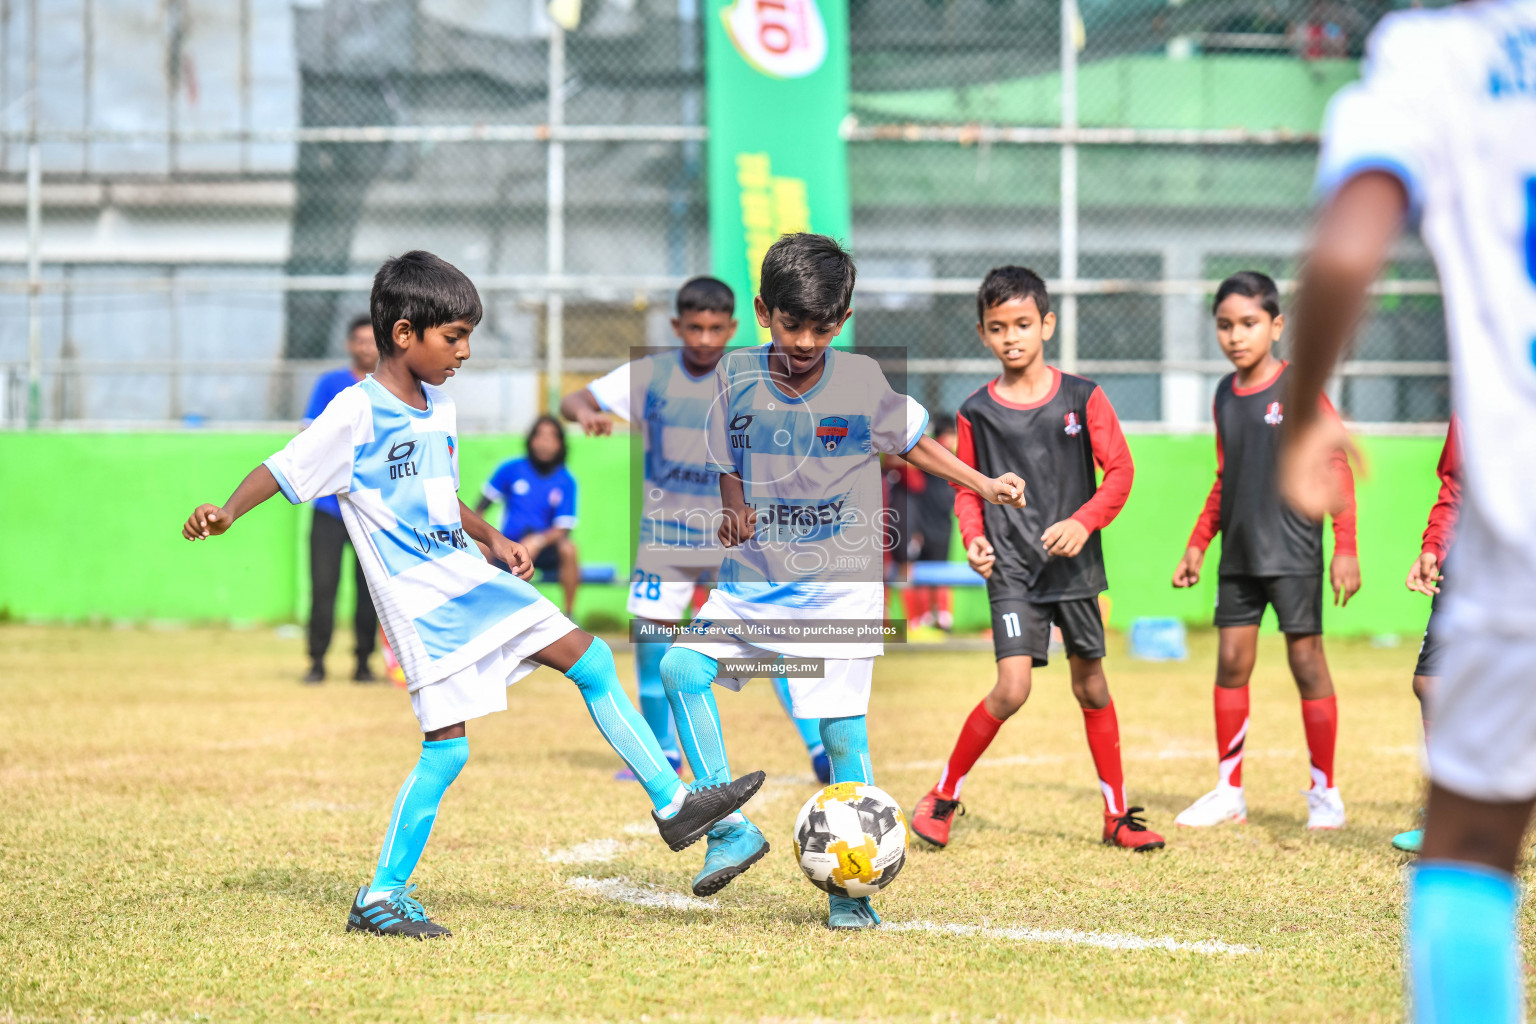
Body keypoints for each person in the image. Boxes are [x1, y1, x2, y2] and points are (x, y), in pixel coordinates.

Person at [180, 250, 765, 939]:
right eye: (453, 336)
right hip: (422, 604)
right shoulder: (354, 413)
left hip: (464, 577)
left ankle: (670, 806)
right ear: (405, 334)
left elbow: (440, 497)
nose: (464, 351)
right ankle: (385, 893)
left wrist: (489, 534)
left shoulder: (439, 407)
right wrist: (225, 511)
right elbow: (281, 468)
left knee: (589, 659)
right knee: (451, 748)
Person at [1278, 8, 1536, 1006]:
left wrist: (1306, 414)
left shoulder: (1436, 52)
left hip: (1519, 512)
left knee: (1470, 845)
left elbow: (1347, 249)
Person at [658, 233, 1026, 928]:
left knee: (841, 738)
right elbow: (726, 453)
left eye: (823, 328)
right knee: (681, 668)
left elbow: (913, 442)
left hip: (837, 591)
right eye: (793, 324)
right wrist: (734, 509)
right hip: (753, 588)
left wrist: (981, 482)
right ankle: (728, 829)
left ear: (844, 318)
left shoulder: (859, 382)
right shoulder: (735, 376)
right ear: (764, 312)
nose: (806, 340)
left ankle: (848, 894)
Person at [908, 266, 1165, 854]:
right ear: (983, 334)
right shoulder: (976, 411)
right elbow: (967, 486)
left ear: (1046, 323)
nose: (1012, 337)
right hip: (1013, 571)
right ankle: (943, 795)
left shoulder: (1083, 397)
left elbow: (1120, 471)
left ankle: (1117, 816)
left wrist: (1083, 521)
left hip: (1073, 569)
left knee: (1092, 687)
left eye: (1023, 324)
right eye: (998, 328)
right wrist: (974, 538)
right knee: (1012, 688)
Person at [560, 276, 832, 785]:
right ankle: (663, 754)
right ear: (677, 326)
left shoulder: (753, 373)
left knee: (771, 645)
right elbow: (574, 399)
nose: (705, 339)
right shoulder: (650, 375)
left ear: (732, 327)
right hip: (666, 537)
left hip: (737, 534)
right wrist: (587, 414)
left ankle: (819, 747)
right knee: (652, 642)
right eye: (694, 328)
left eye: (715, 329)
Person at [1171, 271, 1361, 831]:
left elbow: (1336, 464)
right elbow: (1225, 477)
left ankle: (1324, 793)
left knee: (1307, 663)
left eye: (1249, 323)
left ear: (1276, 326)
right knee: (1231, 662)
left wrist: (1344, 546)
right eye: (1225, 325)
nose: (1236, 335)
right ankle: (1229, 791)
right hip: (1240, 556)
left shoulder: (1300, 388)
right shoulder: (1223, 394)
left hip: (1296, 551)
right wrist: (1197, 544)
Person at [1393, 418, 1461, 855]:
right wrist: (1434, 546)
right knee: (1430, 682)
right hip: (1472, 556)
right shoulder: (1477, 392)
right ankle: (1444, 817)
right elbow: (1455, 486)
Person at [301, 314, 380, 684]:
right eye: (359, 340)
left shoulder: (389, 387)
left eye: (371, 340)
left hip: (370, 511)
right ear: (350, 344)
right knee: (323, 588)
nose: (366, 347)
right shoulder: (330, 384)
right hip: (330, 509)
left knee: (371, 592)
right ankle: (317, 662)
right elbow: (309, 434)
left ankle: (363, 663)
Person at [476, 416, 581, 617]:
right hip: (507, 547)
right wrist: (492, 539)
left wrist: (538, 541)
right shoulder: (510, 469)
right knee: (478, 546)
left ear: (560, 444)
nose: (544, 442)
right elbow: (480, 508)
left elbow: (563, 528)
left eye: (551, 437)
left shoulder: (566, 481)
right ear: (531, 440)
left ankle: (569, 614)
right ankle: (486, 611)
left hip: (544, 549)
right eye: (540, 436)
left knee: (570, 549)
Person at [889, 414, 960, 635]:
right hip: (919, 523)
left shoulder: (955, 461)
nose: (952, 440)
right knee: (912, 570)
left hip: (943, 523)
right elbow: (895, 459)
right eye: (949, 435)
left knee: (940, 571)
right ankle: (915, 620)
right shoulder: (926, 458)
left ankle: (942, 617)